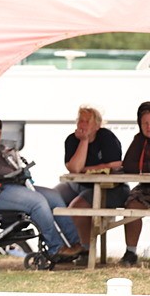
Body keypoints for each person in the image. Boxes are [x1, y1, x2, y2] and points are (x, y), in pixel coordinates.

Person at [0, 114, 83, 262]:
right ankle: (56, 248)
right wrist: (11, 171)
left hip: (9, 187)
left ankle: (74, 243)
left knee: (54, 196)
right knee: (38, 202)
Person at [53, 105, 130, 263]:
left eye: (87, 121)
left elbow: (116, 164)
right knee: (52, 200)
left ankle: (85, 251)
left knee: (77, 207)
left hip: (111, 188)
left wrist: (89, 169)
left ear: (97, 125)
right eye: (80, 120)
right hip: (82, 185)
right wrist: (84, 141)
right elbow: (75, 168)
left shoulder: (107, 137)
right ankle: (62, 247)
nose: (82, 124)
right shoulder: (72, 140)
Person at [117, 100, 150, 267]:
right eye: (144, 123)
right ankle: (130, 252)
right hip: (146, 188)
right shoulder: (139, 139)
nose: (148, 126)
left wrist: (142, 167)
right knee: (132, 205)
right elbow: (128, 165)